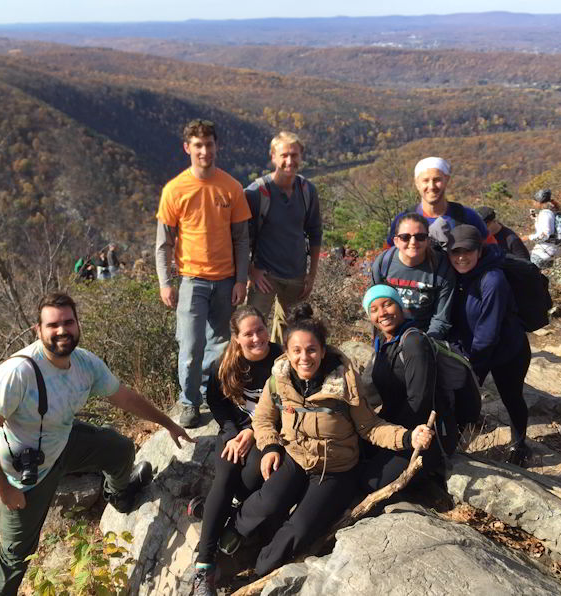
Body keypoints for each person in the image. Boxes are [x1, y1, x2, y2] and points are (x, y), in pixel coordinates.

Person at [0, 292, 194, 595]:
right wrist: (2, 488)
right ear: (39, 330)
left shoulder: (84, 363)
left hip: (63, 442)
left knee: (120, 449)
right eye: (53, 325)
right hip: (26, 472)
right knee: (15, 555)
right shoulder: (17, 373)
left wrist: (167, 422)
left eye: (68, 322)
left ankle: (119, 495)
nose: (62, 330)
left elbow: (124, 397)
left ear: (77, 324)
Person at [218, 304, 434, 576]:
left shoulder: (344, 382)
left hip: (334, 470)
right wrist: (271, 446)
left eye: (311, 350)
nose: (304, 357)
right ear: (287, 351)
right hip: (295, 457)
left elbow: (370, 427)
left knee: (299, 529)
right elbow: (262, 418)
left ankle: (259, 570)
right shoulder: (280, 377)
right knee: (267, 502)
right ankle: (232, 533)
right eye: (296, 350)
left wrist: (407, 436)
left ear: (322, 350)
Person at [155, 119, 251, 428]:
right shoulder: (175, 190)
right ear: (187, 148)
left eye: (209, 144)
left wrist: (240, 279)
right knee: (191, 345)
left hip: (225, 279)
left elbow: (241, 239)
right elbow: (163, 243)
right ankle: (189, 401)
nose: (204, 151)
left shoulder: (231, 187)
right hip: (192, 279)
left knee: (221, 345)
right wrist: (165, 283)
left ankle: (213, 394)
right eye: (198, 145)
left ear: (216, 146)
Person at [192, 306, 283, 596]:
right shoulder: (226, 364)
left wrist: (252, 432)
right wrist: (233, 433)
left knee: (250, 481)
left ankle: (214, 513)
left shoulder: (282, 360)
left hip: (269, 433)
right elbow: (218, 404)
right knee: (227, 472)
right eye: (248, 333)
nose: (257, 338)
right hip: (236, 433)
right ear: (236, 338)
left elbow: (289, 408)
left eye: (260, 330)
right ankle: (204, 566)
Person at [446, 225, 532, 466]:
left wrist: (471, 367)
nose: (461, 257)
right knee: (462, 400)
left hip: (508, 351)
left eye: (468, 251)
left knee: (511, 397)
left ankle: (520, 444)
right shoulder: (454, 276)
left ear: (480, 251)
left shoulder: (493, 280)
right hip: (474, 349)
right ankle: (451, 448)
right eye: (456, 252)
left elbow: (488, 332)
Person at [360, 284, 458, 493]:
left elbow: (419, 402)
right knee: (352, 457)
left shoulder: (413, 341)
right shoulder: (383, 342)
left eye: (388, 304)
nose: (382, 313)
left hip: (426, 434)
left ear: (400, 306)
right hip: (399, 427)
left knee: (371, 484)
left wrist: (396, 437)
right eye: (374, 309)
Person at [244, 132, 323, 330]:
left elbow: (315, 232)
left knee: (293, 331)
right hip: (265, 276)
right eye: (284, 155)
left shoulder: (307, 190)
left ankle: (280, 361)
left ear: (301, 156)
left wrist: (311, 274)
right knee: (252, 327)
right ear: (273, 157)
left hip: (296, 275)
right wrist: (250, 271)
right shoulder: (256, 193)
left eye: (294, 155)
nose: (289, 161)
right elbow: (240, 236)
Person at [371, 212, 456, 339]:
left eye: (420, 236)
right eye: (405, 237)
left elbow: (441, 318)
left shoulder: (441, 268)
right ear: (396, 241)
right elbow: (375, 307)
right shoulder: (383, 263)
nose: (413, 242)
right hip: (390, 334)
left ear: (427, 240)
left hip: (425, 335)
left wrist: (425, 345)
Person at [386, 157, 494, 248]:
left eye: (437, 180)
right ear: (417, 183)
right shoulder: (403, 220)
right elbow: (386, 258)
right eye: (425, 180)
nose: (431, 186)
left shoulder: (466, 216)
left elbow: (492, 250)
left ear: (447, 180)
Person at [523, 189, 560, 269]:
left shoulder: (545, 214)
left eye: (534, 201)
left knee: (527, 271)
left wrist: (528, 237)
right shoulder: (552, 211)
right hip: (552, 249)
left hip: (545, 251)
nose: (533, 203)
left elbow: (545, 235)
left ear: (539, 202)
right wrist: (536, 219)